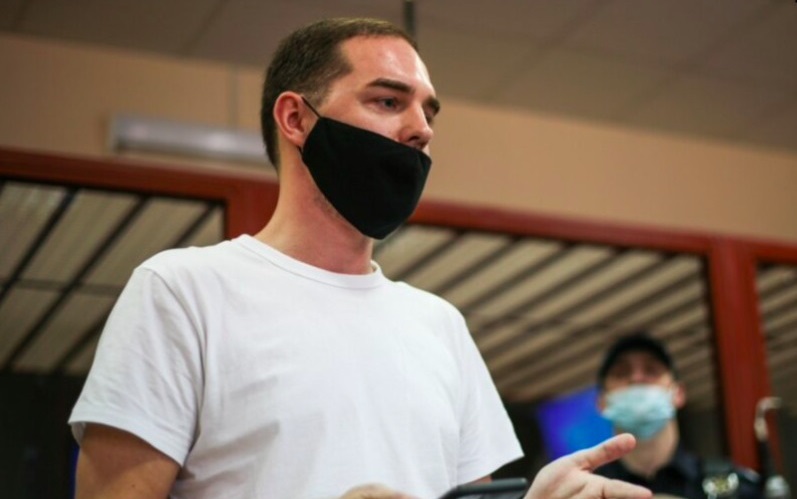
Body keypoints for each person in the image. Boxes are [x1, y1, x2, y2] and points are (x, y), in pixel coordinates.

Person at [69, 17, 652, 499]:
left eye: (428, 113)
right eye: (388, 100)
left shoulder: (439, 326)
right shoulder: (182, 291)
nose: (421, 130)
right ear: (296, 119)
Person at [594, 333, 762, 498]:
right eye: (621, 373)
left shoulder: (737, 490)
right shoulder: (590, 492)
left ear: (678, 394)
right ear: (602, 403)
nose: (637, 378)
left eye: (651, 370)